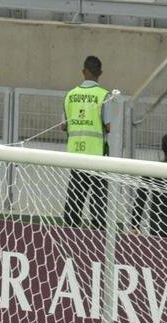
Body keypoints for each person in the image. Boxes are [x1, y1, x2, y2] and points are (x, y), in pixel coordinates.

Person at [61, 55, 111, 229]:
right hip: (97, 157)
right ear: (101, 73)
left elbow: (63, 126)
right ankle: (97, 241)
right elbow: (108, 126)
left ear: (83, 72)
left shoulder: (70, 95)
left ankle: (69, 238)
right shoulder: (104, 95)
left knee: (74, 203)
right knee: (98, 206)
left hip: (76, 157)